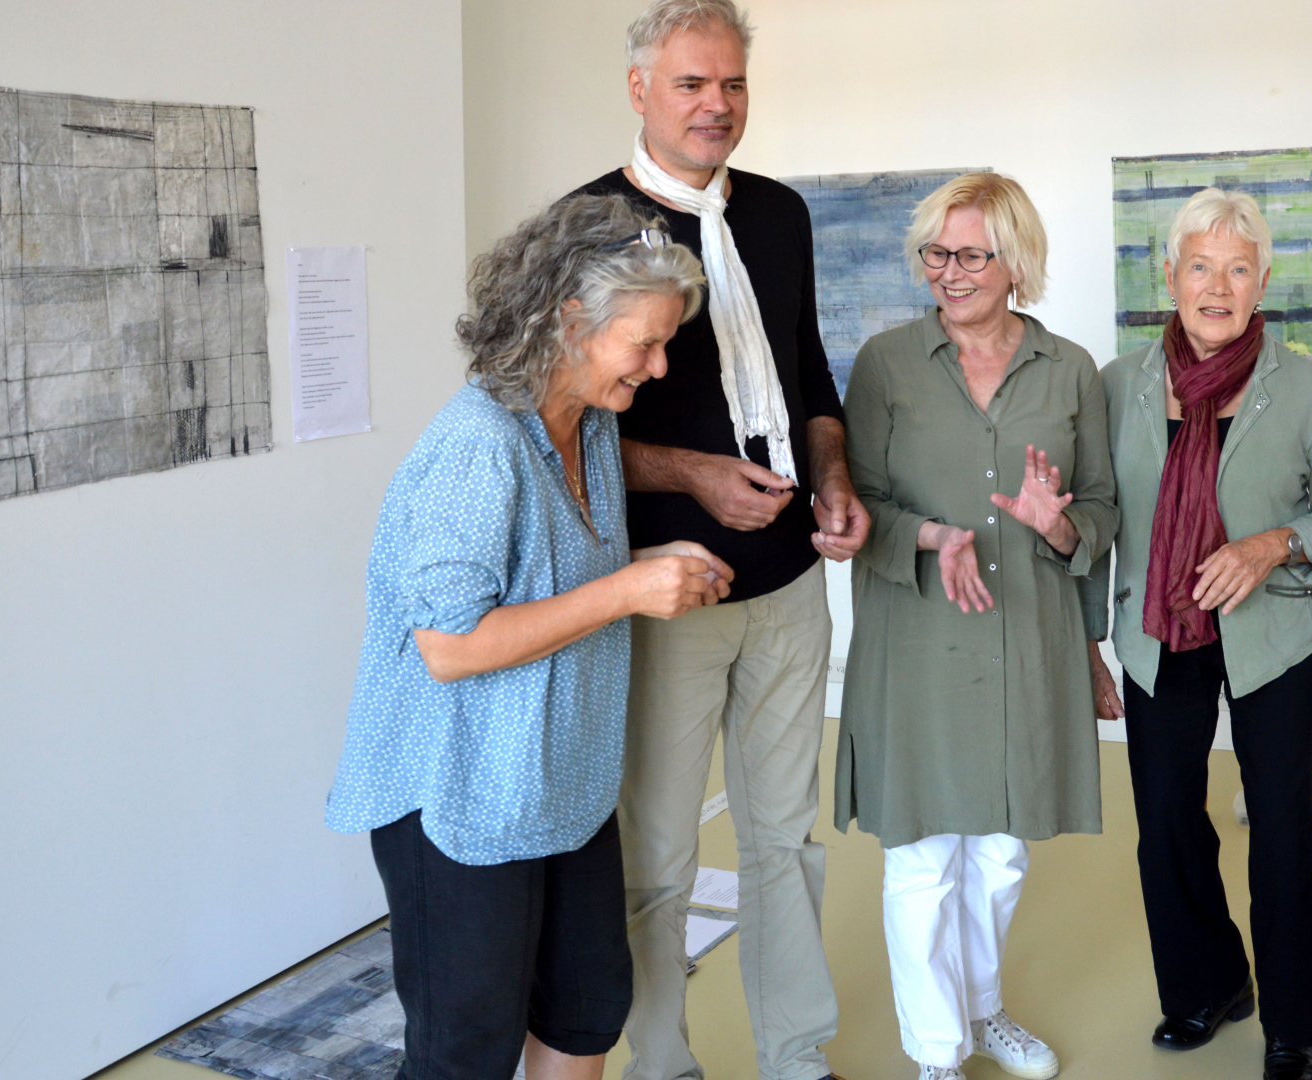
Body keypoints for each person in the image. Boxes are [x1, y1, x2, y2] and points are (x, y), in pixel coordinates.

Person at [324, 193, 722, 1080]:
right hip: (459, 800)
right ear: (570, 320)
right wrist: (627, 588)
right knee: (466, 1048)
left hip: (560, 784)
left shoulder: (591, 427)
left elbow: (551, 582)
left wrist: (656, 569)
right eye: (645, 343)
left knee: (585, 1011)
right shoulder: (478, 447)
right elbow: (450, 646)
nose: (659, 369)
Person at [565, 3, 867, 1079]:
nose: (717, 106)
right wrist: (691, 472)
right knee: (655, 856)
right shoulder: (583, 228)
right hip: (663, 590)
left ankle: (795, 1055)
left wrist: (832, 476)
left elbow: (810, 372)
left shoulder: (782, 213)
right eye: (692, 85)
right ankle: (660, 1064)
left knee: (787, 839)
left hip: (790, 587)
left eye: (732, 84)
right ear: (640, 89)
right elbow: (569, 427)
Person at [837, 172, 1118, 1080]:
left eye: (969, 255)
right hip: (917, 636)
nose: (948, 273)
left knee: (998, 855)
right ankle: (934, 1052)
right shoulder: (884, 363)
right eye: (935, 253)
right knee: (922, 860)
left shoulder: (1070, 368)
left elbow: (1104, 509)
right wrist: (929, 534)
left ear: (1016, 263)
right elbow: (855, 503)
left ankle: (985, 1008)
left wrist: (1058, 524)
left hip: (1028, 635)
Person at [1081, 187, 1312, 1080]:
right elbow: (1093, 516)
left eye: (1238, 268)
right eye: (1200, 265)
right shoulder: (1117, 384)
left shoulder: (1307, 386)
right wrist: (1089, 638)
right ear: (1169, 275)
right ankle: (1207, 987)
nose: (1217, 285)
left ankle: (1290, 1022)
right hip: (1156, 635)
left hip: (1269, 633)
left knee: (1280, 821)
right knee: (1166, 818)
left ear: (1263, 280)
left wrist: (1274, 544)